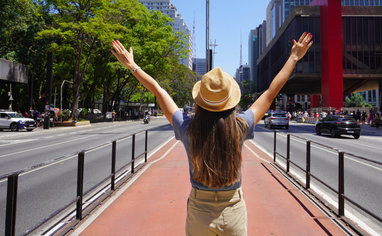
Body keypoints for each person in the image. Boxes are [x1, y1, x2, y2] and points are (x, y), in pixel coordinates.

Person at [111, 32, 313, 235]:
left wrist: (132, 66)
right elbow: (271, 93)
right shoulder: (240, 126)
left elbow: (158, 90)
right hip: (233, 209)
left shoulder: (188, 127)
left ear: (200, 101)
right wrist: (293, 58)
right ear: (231, 102)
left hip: (200, 210)